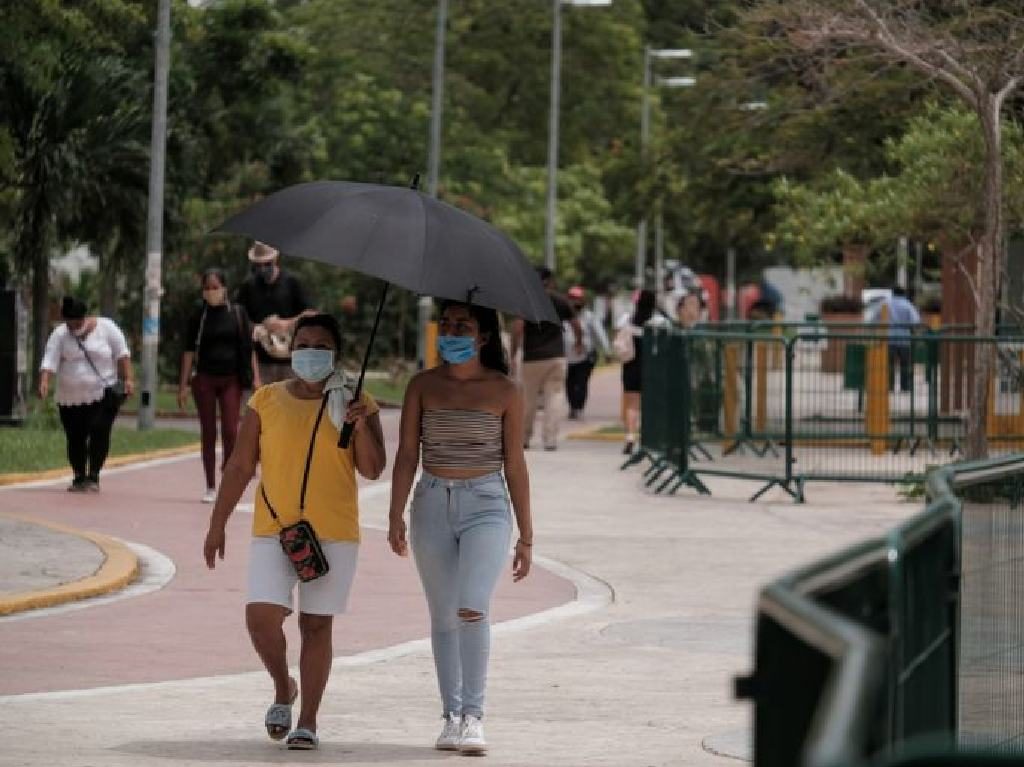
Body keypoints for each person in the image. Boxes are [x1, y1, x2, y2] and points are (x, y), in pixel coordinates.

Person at [202, 313, 386, 751]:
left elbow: (373, 468)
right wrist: (217, 524)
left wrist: (359, 423)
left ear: (336, 353)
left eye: (321, 345)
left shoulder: (358, 400)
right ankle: (284, 685)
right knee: (261, 618)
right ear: (290, 348)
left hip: (334, 532)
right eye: (303, 344)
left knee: (316, 624)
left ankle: (307, 720)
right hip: (276, 529)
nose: (310, 352)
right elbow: (242, 465)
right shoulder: (265, 400)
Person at [388, 300, 533, 755]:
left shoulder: (505, 391)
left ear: (483, 337)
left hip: (486, 506)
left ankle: (474, 716)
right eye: (446, 324)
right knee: (443, 614)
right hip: (431, 503)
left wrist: (527, 534)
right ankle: (450, 716)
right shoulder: (422, 386)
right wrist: (394, 514)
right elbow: (407, 455)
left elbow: (515, 463)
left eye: (462, 326)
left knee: (472, 606)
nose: (451, 332)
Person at [178, 268, 260, 503]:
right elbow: (188, 351)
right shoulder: (198, 316)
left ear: (224, 288)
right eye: (207, 288)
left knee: (231, 430)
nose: (211, 292)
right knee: (208, 431)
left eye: (215, 287)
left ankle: (228, 475)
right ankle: (210, 485)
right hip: (204, 377)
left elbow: (248, 348)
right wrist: (183, 384)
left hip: (231, 378)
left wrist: (256, 377)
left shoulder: (237, 313)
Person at [38, 297, 134, 492]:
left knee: (99, 430)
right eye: (70, 323)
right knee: (75, 436)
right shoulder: (60, 335)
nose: (74, 326)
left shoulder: (107, 327)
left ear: (85, 316)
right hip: (70, 397)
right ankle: (79, 476)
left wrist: (129, 379)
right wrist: (44, 382)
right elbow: (49, 360)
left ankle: (94, 475)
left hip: (102, 392)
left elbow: (122, 354)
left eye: (78, 322)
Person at [509, 267, 581, 450]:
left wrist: (513, 352)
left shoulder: (527, 301)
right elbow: (576, 324)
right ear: (550, 281)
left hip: (532, 358)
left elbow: (518, 327)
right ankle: (550, 440)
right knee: (554, 397)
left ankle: (524, 438)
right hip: (556, 357)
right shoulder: (560, 300)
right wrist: (579, 342)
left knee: (528, 398)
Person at [235, 241, 314, 385]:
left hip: (290, 359)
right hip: (260, 361)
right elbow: (238, 316)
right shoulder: (248, 286)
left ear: (275, 260)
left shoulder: (291, 282)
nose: (263, 268)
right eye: (258, 265)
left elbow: (311, 314)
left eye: (267, 264)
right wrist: (255, 328)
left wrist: (285, 323)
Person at [617, 289, 657, 455]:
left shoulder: (627, 320)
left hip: (631, 366)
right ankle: (649, 438)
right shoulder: (658, 322)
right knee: (651, 405)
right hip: (653, 368)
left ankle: (630, 436)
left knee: (632, 405)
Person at [564, 285, 609, 419]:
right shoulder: (562, 316)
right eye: (572, 298)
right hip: (567, 357)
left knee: (582, 382)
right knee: (569, 383)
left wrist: (607, 351)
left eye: (577, 299)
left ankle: (579, 408)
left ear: (583, 301)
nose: (575, 302)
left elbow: (600, 334)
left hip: (586, 356)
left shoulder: (590, 317)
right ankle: (572, 407)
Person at [869, 285, 921, 393]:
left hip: (888, 338)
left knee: (889, 365)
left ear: (892, 293)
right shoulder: (908, 305)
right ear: (903, 294)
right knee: (905, 364)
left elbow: (873, 320)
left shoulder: (884, 304)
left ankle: (890, 386)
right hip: (904, 339)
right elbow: (915, 321)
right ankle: (905, 387)